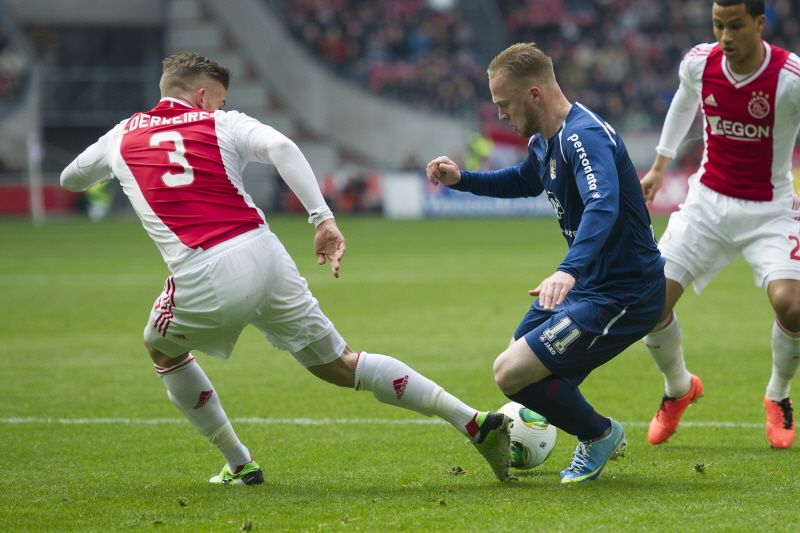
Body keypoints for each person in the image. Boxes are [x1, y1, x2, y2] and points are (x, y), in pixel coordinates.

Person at [60, 52, 512, 485]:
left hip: (205, 267)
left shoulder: (122, 136)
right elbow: (280, 145)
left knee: (161, 349)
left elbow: (69, 179)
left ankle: (240, 464)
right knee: (339, 364)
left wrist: (110, 167)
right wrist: (323, 219)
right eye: (219, 100)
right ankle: (472, 421)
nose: (222, 107)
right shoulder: (223, 123)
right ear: (201, 98)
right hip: (265, 252)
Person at [426, 42, 665, 483]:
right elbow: (523, 178)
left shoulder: (583, 137)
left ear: (534, 94)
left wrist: (567, 270)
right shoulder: (546, 140)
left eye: (503, 104)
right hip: (592, 282)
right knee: (522, 357)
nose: (499, 115)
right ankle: (565, 426)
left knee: (512, 372)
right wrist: (463, 180)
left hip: (626, 290)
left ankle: (600, 435)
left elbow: (602, 204)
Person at [639, 0, 800, 449]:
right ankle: (678, 389)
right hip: (706, 204)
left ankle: (778, 396)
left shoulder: (789, 78)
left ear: (759, 24)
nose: (725, 36)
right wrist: (658, 165)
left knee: (793, 305)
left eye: (735, 26)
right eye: (717, 25)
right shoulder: (699, 63)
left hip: (770, 209)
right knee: (648, 303)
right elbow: (682, 103)